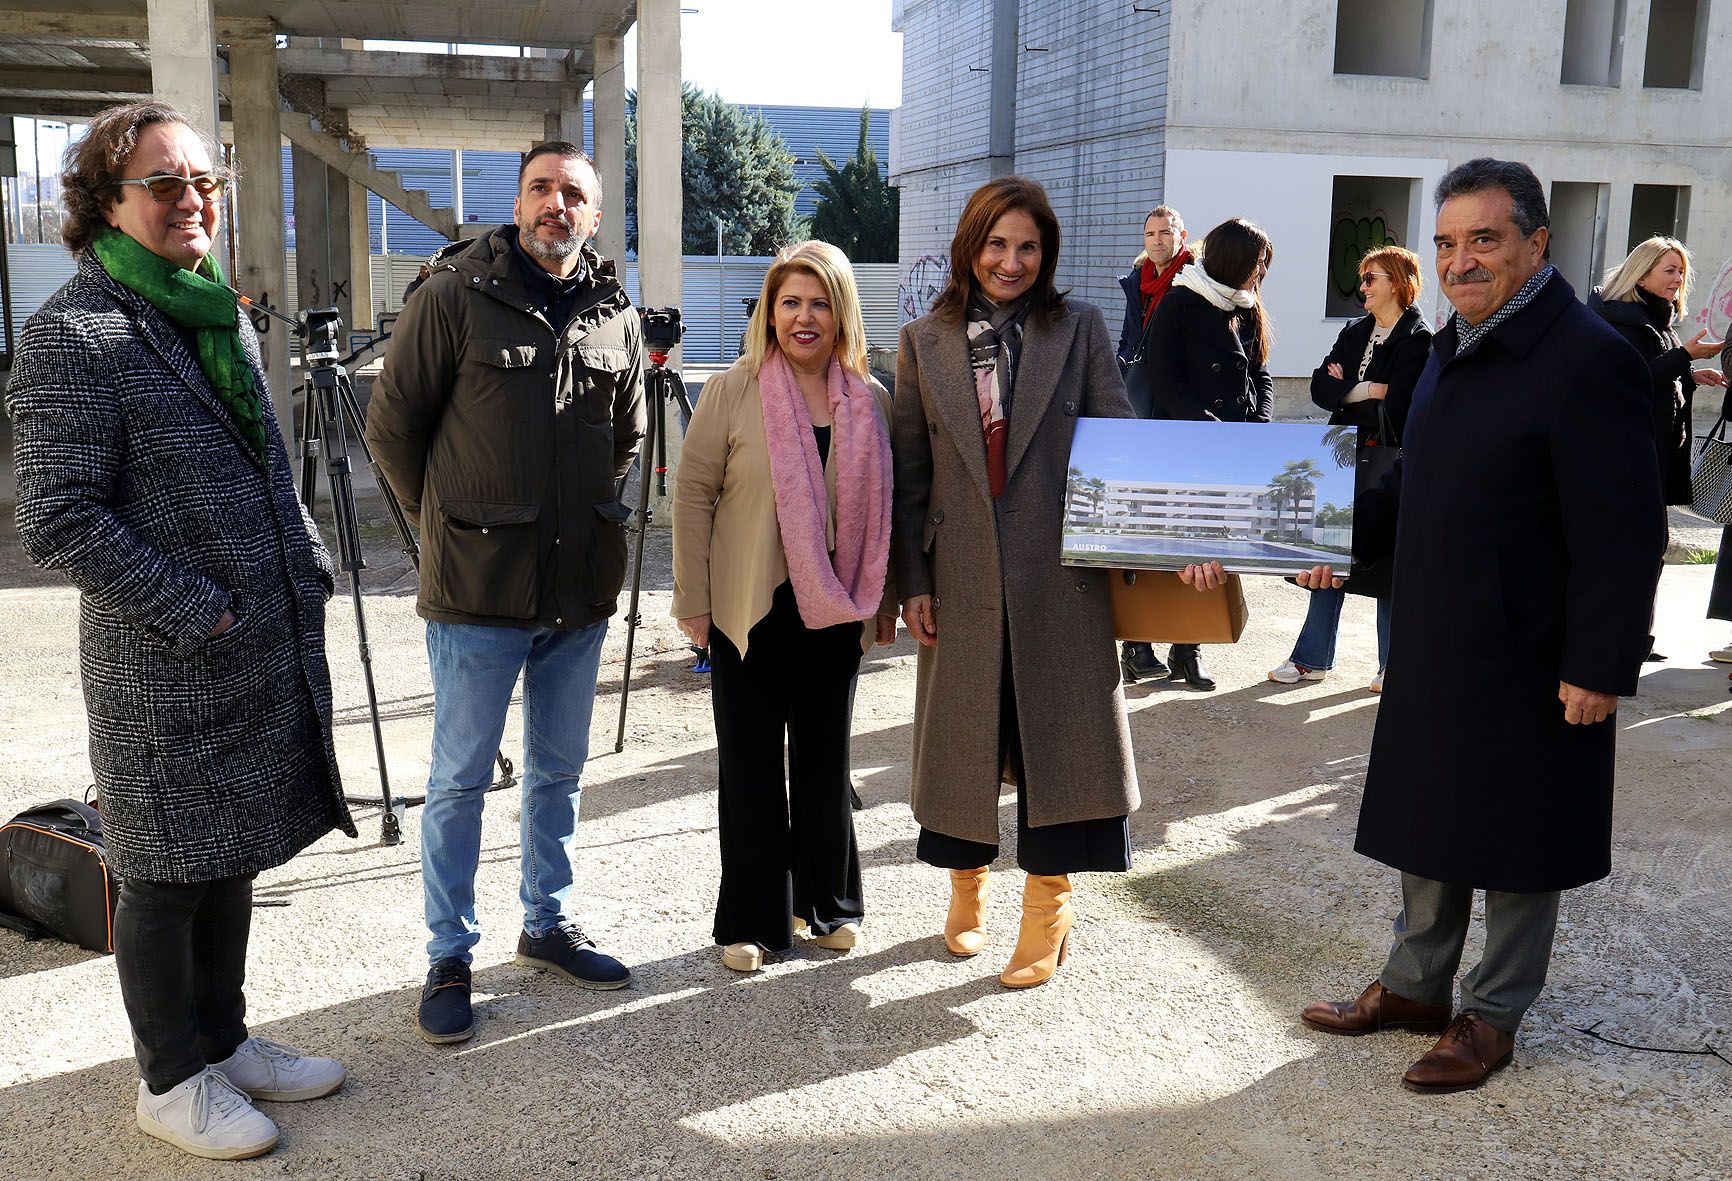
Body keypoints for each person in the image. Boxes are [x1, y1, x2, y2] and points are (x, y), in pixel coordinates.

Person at [5, 101, 353, 1161]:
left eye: (205, 181)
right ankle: (169, 1075)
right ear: (105, 203)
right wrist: (194, 605)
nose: (193, 200)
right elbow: (55, 516)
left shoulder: (213, 310)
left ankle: (224, 1036)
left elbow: (264, 460)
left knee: (231, 851)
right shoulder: (73, 331)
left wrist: (308, 561)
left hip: (254, 644)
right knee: (161, 872)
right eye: (165, 184)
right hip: (165, 659)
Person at [1300, 159, 1666, 1093]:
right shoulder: (1451, 346)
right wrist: (1333, 544)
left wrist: (1599, 661)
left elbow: (1627, 531)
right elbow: (1408, 486)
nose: (1461, 260)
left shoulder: (1588, 357)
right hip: (1437, 634)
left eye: (1485, 239)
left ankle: (1493, 1013)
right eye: (1448, 242)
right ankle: (1417, 986)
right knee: (1431, 815)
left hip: (1534, 647)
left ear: (1537, 244)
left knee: (1518, 831)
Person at [892, 175, 1218, 989]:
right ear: (971, 246)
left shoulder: (1079, 328)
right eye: (996, 244)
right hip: (960, 572)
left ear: (1048, 253)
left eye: (1028, 246)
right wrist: (912, 581)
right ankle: (966, 887)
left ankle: (1048, 904)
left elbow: (1118, 441)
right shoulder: (923, 339)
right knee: (968, 736)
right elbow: (909, 471)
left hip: (1060, 576)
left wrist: (1180, 541)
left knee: (1058, 745)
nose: (1011, 261)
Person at [366, 141, 645, 1044]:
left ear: (595, 216)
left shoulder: (617, 315)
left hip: (578, 592)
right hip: (478, 591)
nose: (555, 205)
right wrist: (447, 526)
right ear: (517, 202)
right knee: (458, 780)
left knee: (559, 772)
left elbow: (627, 437)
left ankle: (545, 922)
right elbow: (393, 429)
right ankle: (449, 953)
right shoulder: (454, 295)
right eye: (541, 189)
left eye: (573, 193)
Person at [672, 241, 896, 973]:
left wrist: (883, 601)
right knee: (751, 766)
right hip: (751, 608)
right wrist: (694, 598)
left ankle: (824, 904)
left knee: (826, 761)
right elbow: (693, 494)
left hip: (835, 610)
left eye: (820, 302)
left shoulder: (870, 399)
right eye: (790, 302)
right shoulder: (733, 389)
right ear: (770, 311)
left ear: (842, 313)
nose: (804, 317)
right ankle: (752, 918)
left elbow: (888, 511)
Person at [1270, 245, 1431, 693]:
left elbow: (1400, 403)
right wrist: (1365, 389)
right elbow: (1322, 387)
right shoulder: (1356, 330)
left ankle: (1391, 665)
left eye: (1370, 278)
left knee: (1388, 563)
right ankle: (1311, 659)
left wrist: (1350, 388)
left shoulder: (1418, 340)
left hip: (1389, 459)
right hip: (1341, 456)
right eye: (1362, 278)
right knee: (1330, 553)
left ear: (1397, 283)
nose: (1361, 287)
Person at [1141, 216, 1278, 690]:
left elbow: (1261, 373)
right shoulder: (1181, 300)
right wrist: (1205, 426)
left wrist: (1258, 424)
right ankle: (1138, 644)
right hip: (1183, 444)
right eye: (1258, 261)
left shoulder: (1246, 307)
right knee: (1170, 546)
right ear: (1234, 259)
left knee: (1213, 550)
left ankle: (1188, 649)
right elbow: (1164, 377)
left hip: (1231, 447)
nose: (1261, 272)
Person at [1115, 204, 1193, 683]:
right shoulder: (1136, 283)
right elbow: (1127, 342)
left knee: (1190, 531)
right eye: (1150, 233)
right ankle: (1137, 647)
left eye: (1166, 232)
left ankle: (1188, 647)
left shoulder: (1196, 282)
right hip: (1142, 415)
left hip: (1183, 420)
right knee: (1141, 529)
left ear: (1182, 235)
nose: (1157, 240)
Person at [1589, 237, 1726, 507]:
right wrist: (1685, 354)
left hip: (1655, 448)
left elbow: (1658, 371)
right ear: (1640, 278)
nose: (1678, 279)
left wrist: (1691, 375)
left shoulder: (1657, 319)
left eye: (1681, 272)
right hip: (1628, 453)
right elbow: (1634, 379)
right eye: (1670, 270)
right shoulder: (1622, 321)